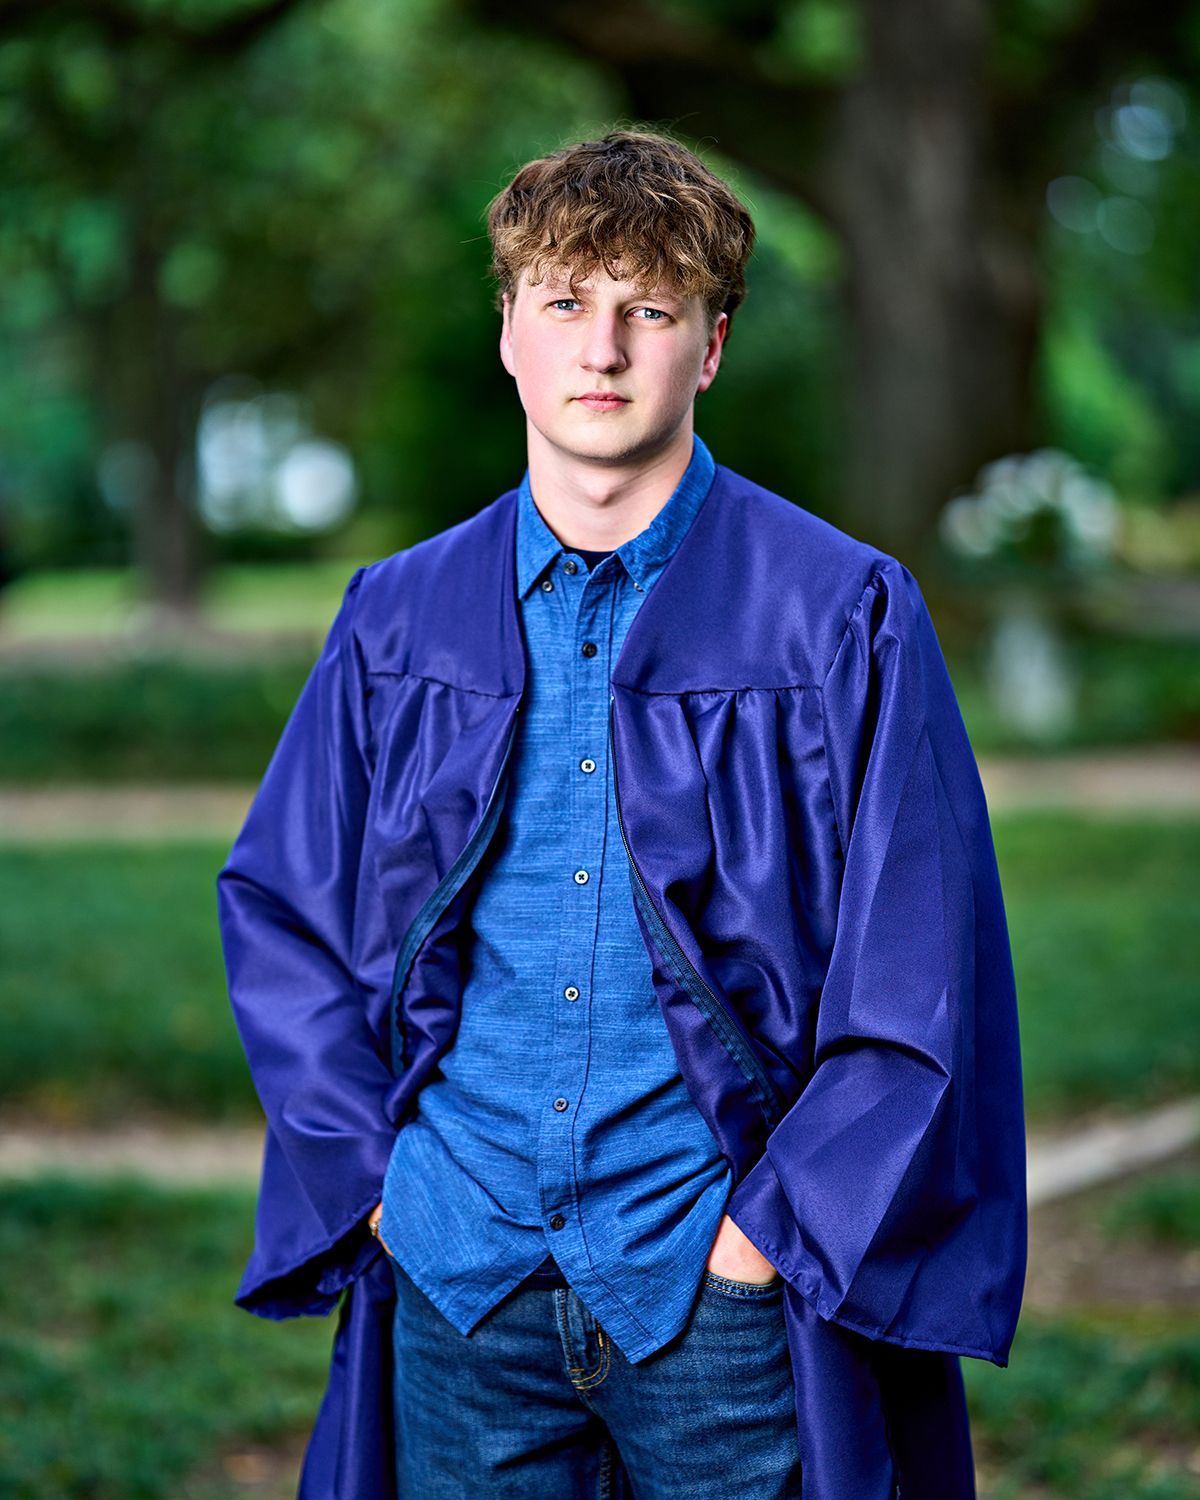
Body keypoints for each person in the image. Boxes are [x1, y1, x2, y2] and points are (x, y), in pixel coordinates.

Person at [216, 127, 1027, 1500]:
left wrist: (767, 1237)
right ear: (511, 339)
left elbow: (921, 971)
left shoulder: (839, 618)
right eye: (565, 304)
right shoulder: (395, 620)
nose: (603, 350)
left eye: (650, 309)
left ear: (707, 347)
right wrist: (376, 1186)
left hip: (715, 1284)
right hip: (459, 1266)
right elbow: (281, 910)